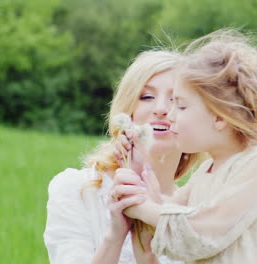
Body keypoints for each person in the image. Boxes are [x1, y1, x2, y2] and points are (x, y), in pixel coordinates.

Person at [122, 29, 257, 263]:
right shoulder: (206, 171)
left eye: (180, 106)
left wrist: (142, 208)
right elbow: (171, 216)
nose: (169, 115)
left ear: (220, 116)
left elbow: (199, 233)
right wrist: (143, 182)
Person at [43, 50, 201, 264]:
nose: (161, 109)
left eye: (177, 100)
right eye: (146, 96)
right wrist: (115, 236)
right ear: (128, 109)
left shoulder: (198, 212)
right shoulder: (77, 189)